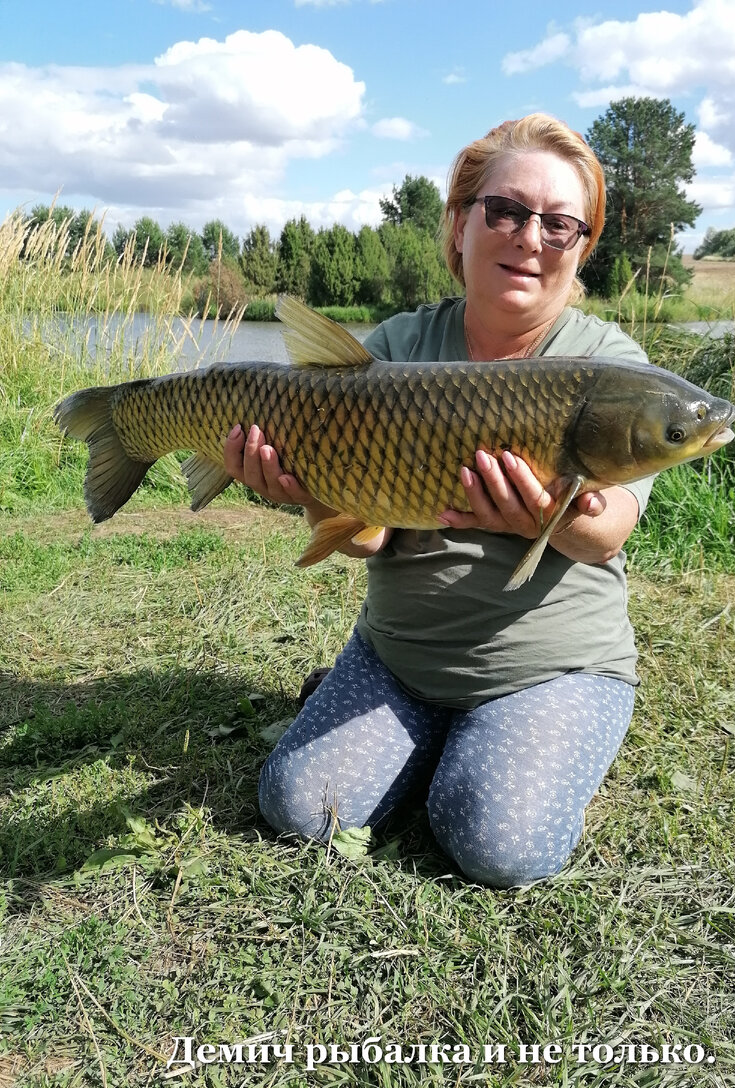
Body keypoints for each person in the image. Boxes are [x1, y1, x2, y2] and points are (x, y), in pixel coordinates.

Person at [223, 113, 653, 888]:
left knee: (500, 846)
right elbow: (367, 538)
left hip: (549, 665)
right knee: (297, 807)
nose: (529, 237)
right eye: (506, 211)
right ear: (459, 225)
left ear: (581, 249)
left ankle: (531, 723)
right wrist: (309, 498)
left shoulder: (608, 368)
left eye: (559, 224)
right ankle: (408, 713)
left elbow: (609, 531)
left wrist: (554, 520)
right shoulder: (394, 350)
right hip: (401, 658)